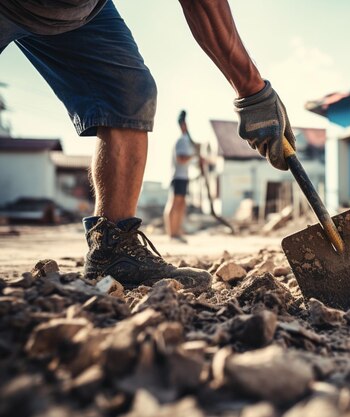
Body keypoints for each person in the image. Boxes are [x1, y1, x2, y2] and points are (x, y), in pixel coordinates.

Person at [0, 0, 297, 292]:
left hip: (80, 10)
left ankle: (114, 252)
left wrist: (253, 93)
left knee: (127, 93)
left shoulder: (188, 139)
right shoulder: (182, 142)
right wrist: (251, 90)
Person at [164, 115, 195, 244]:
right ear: (182, 125)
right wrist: (194, 155)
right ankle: (172, 234)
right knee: (175, 203)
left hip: (184, 177)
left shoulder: (186, 141)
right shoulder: (181, 141)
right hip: (178, 177)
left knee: (181, 204)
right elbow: (181, 159)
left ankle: (177, 231)